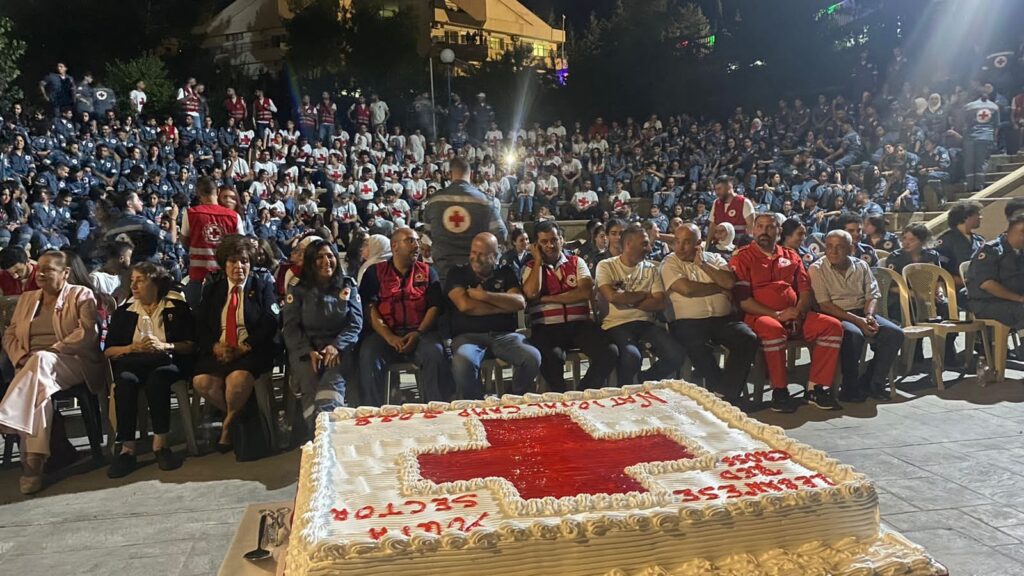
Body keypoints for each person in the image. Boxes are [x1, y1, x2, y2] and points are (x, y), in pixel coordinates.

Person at [0, 250, 106, 494]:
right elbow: (10, 334)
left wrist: (52, 350)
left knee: (40, 361)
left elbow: (86, 333)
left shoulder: (80, 294)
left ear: (65, 273)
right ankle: (33, 465)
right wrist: (20, 357)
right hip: (32, 368)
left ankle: (9, 420)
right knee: (39, 394)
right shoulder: (27, 299)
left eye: (49, 270)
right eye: (40, 269)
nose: (41, 274)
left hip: (72, 360)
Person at [731, 214, 842, 412]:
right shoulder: (743, 257)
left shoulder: (791, 256)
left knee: (831, 326)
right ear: (753, 230)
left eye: (770, 227)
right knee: (772, 329)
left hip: (794, 316)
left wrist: (797, 312)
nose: (764, 231)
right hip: (760, 317)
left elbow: (805, 291)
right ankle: (780, 391)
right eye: (760, 227)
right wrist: (778, 315)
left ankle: (816, 388)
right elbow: (744, 301)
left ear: (779, 231)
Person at [103, 263, 193, 477]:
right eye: (132, 281)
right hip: (133, 362)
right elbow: (109, 351)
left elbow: (191, 344)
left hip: (165, 361)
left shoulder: (175, 308)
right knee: (125, 382)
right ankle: (127, 449)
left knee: (158, 380)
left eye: (140, 280)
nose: (133, 286)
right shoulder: (124, 312)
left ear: (156, 283)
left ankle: (161, 444)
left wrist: (164, 345)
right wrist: (132, 348)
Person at [192, 235, 280, 452]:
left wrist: (244, 347)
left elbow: (271, 321)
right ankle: (243, 418)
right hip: (220, 350)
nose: (239, 266)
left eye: (244, 261)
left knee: (236, 380)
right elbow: (200, 325)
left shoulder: (262, 286)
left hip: (251, 350)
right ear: (224, 265)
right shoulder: (213, 290)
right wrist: (215, 347)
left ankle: (227, 429)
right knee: (202, 382)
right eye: (233, 261)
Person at [662, 223, 757, 404]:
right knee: (696, 343)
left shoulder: (715, 259)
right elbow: (687, 289)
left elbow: (729, 283)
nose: (680, 247)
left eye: (686, 242)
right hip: (688, 322)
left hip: (722, 320)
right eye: (677, 241)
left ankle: (723, 394)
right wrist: (718, 288)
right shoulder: (670, 262)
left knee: (747, 338)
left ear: (698, 243)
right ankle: (721, 392)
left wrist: (703, 265)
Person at [809, 230, 904, 402]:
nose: (833, 251)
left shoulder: (861, 265)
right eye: (829, 246)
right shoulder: (817, 269)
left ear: (850, 249)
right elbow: (824, 304)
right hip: (835, 314)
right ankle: (849, 387)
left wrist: (869, 316)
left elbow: (872, 295)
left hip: (862, 311)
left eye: (839, 247)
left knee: (894, 333)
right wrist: (858, 322)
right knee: (853, 335)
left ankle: (873, 382)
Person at [522, 221, 617, 391]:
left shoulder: (576, 262)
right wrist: (538, 262)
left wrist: (546, 299)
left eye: (554, 240)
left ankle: (582, 393)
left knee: (609, 351)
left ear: (562, 239)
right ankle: (560, 397)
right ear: (536, 245)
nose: (550, 245)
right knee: (552, 357)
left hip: (579, 324)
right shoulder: (530, 268)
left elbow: (585, 292)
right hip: (546, 327)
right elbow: (531, 294)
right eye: (544, 242)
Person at [358, 227, 448, 405]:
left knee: (435, 353)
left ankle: (437, 409)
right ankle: (372, 412)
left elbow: (434, 306)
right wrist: (389, 337)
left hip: (420, 333)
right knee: (368, 354)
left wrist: (418, 333)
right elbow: (369, 308)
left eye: (417, 241)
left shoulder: (428, 272)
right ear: (395, 246)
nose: (417, 246)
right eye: (410, 241)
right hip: (385, 335)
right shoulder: (375, 273)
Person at [446, 233, 540, 398]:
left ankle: (511, 398)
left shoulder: (505, 272)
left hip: (504, 335)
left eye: (482, 254)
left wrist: (484, 296)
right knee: (463, 362)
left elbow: (519, 303)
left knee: (532, 357)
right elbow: (465, 306)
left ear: (495, 255)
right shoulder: (457, 273)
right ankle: (476, 403)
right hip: (468, 337)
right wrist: (503, 306)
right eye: (473, 252)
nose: (475, 258)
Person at [282, 239, 361, 431]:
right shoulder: (297, 289)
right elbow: (291, 327)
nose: (326, 261)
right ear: (310, 261)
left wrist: (337, 346)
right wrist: (307, 350)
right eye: (319, 257)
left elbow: (355, 323)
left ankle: (327, 432)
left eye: (330, 256)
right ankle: (316, 433)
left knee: (331, 385)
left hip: (338, 348)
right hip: (305, 348)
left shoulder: (347, 285)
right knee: (310, 380)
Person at [595, 224, 680, 385]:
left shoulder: (651, 269)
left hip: (646, 322)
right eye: (644, 244)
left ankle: (644, 380)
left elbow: (660, 303)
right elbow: (612, 297)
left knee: (675, 355)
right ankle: (624, 391)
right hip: (616, 324)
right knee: (631, 356)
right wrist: (645, 295)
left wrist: (626, 298)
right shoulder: (606, 265)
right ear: (628, 244)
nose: (649, 248)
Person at [423, 157, 507, 282]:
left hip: (444, 271)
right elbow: (501, 234)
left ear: (449, 174)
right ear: (471, 174)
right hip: (476, 273)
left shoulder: (434, 200)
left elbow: (428, 232)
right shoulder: (485, 201)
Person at [181, 177, 245, 306]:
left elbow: (184, 240)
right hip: (225, 276)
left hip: (198, 276)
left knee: (197, 314)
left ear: (198, 193)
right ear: (218, 191)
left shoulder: (191, 214)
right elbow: (241, 245)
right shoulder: (234, 216)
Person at [966, 215, 1024, 329]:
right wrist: (1019, 298)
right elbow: (987, 284)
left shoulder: (1020, 252)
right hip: (988, 303)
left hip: (1012, 302)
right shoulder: (991, 250)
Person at [935, 200, 985, 287]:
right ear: (966, 217)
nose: (980, 217)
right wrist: (961, 282)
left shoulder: (980, 241)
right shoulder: (946, 240)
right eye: (977, 214)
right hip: (956, 289)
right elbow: (940, 269)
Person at [962, 87, 1000, 192]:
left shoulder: (968, 107)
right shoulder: (994, 107)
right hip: (987, 137)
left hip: (971, 137)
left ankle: (970, 187)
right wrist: (994, 139)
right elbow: (996, 126)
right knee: (981, 162)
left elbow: (964, 124)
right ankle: (979, 186)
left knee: (969, 162)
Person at [708, 175, 755, 240]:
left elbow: (751, 228)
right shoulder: (716, 203)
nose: (717, 192)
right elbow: (712, 226)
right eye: (715, 189)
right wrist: (708, 244)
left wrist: (747, 244)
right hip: (720, 243)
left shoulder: (744, 202)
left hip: (738, 243)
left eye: (719, 189)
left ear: (729, 187)